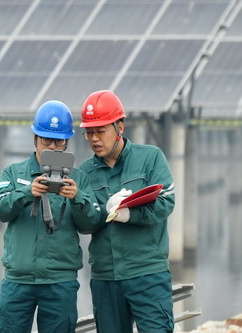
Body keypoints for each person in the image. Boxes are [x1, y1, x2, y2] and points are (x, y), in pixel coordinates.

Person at [0, 100, 100, 333]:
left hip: (60, 281)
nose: (52, 146)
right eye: (46, 140)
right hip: (18, 279)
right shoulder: (13, 173)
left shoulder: (78, 179)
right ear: (35, 137)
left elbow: (90, 224)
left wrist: (77, 198)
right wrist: (26, 192)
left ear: (67, 141)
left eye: (59, 141)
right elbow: (0, 210)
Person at [76, 89, 177, 333]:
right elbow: (84, 225)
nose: (94, 139)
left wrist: (131, 214)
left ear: (119, 127)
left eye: (100, 131)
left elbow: (166, 202)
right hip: (105, 278)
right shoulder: (84, 173)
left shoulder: (150, 158)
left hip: (147, 273)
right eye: (89, 132)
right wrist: (95, 209)